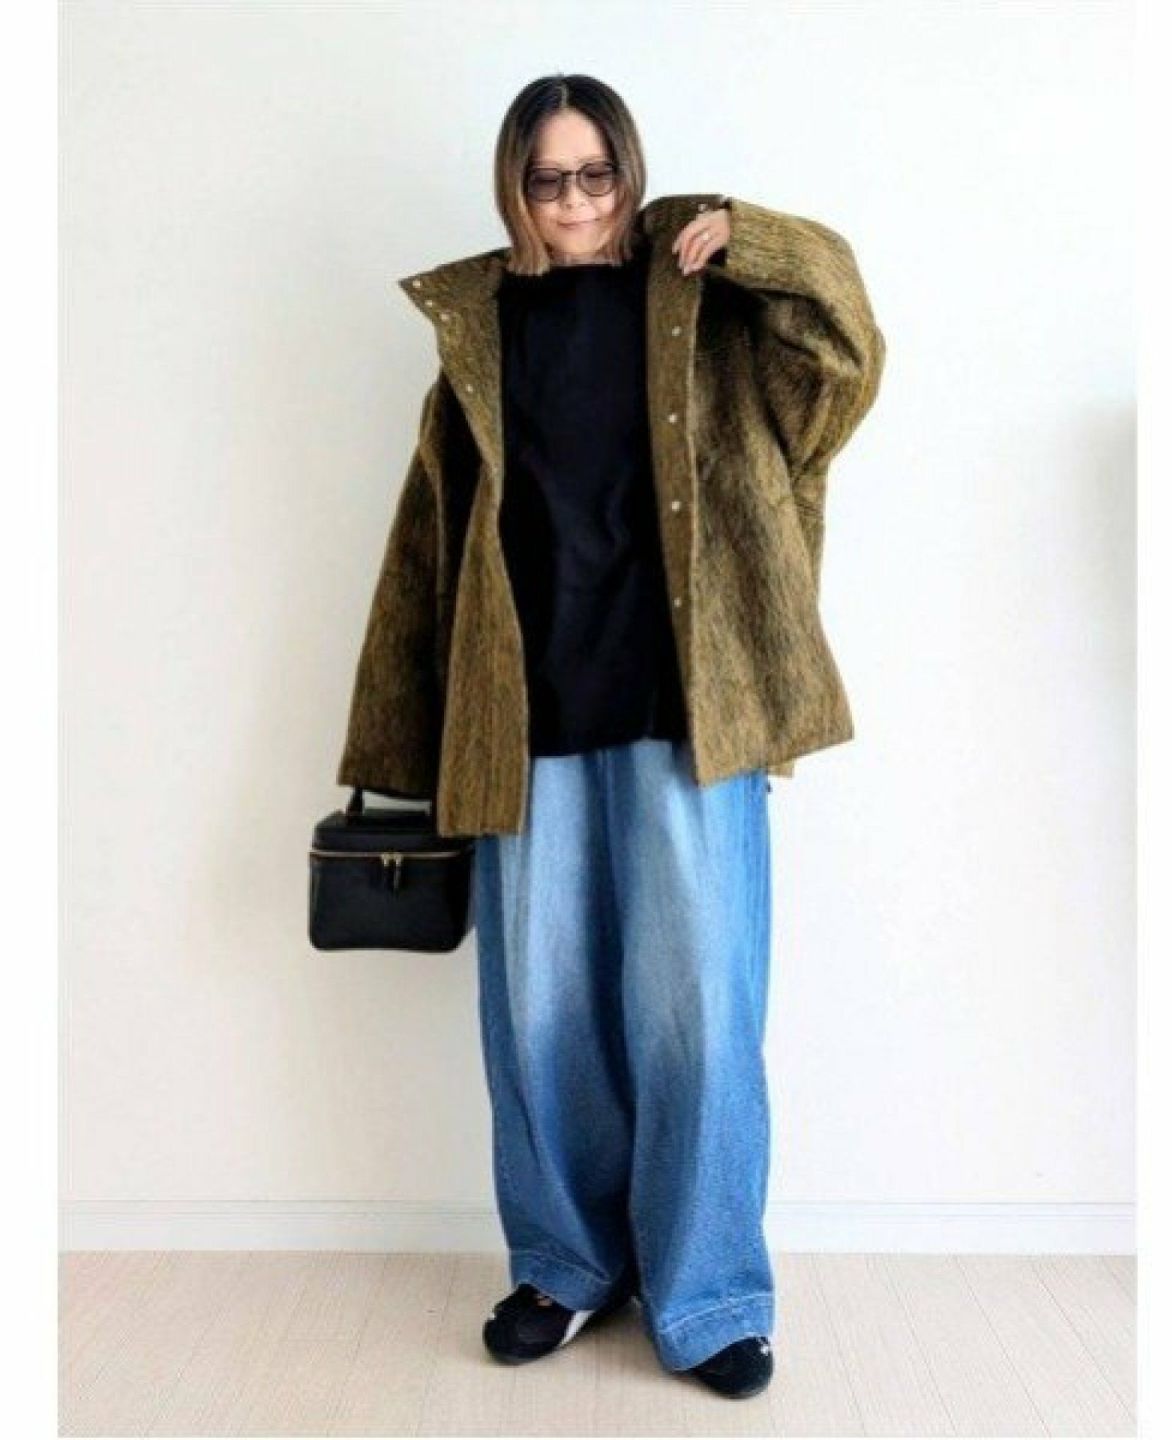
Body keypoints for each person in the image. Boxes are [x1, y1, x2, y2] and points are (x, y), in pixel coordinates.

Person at [337, 72, 886, 1400]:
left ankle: (710, 1294)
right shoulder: (479, 326)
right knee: (543, 1015)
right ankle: (565, 1266)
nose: (578, 203)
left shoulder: (710, 306)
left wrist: (759, 240)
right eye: (550, 179)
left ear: (631, 174)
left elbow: (848, 358)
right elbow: (431, 539)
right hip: (525, 715)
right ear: (513, 189)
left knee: (697, 1009)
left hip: (690, 710)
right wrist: (398, 743)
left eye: (598, 175)